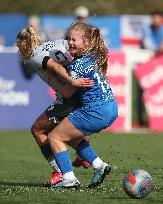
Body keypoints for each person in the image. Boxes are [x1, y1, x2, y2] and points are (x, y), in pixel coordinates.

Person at [16, 26, 93, 186]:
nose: (19, 50)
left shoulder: (35, 56)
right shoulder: (56, 43)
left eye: (19, 46)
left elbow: (56, 67)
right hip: (81, 92)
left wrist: (71, 81)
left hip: (68, 96)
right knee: (66, 132)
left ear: (23, 45)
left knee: (38, 130)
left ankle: (60, 171)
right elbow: (75, 50)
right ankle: (88, 158)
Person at [47, 23, 118, 189]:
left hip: (95, 111)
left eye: (74, 39)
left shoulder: (77, 66)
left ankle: (69, 178)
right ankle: (99, 165)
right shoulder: (94, 56)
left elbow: (67, 93)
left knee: (54, 137)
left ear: (86, 42)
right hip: (111, 107)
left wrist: (52, 75)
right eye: (69, 39)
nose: (70, 42)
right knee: (72, 138)